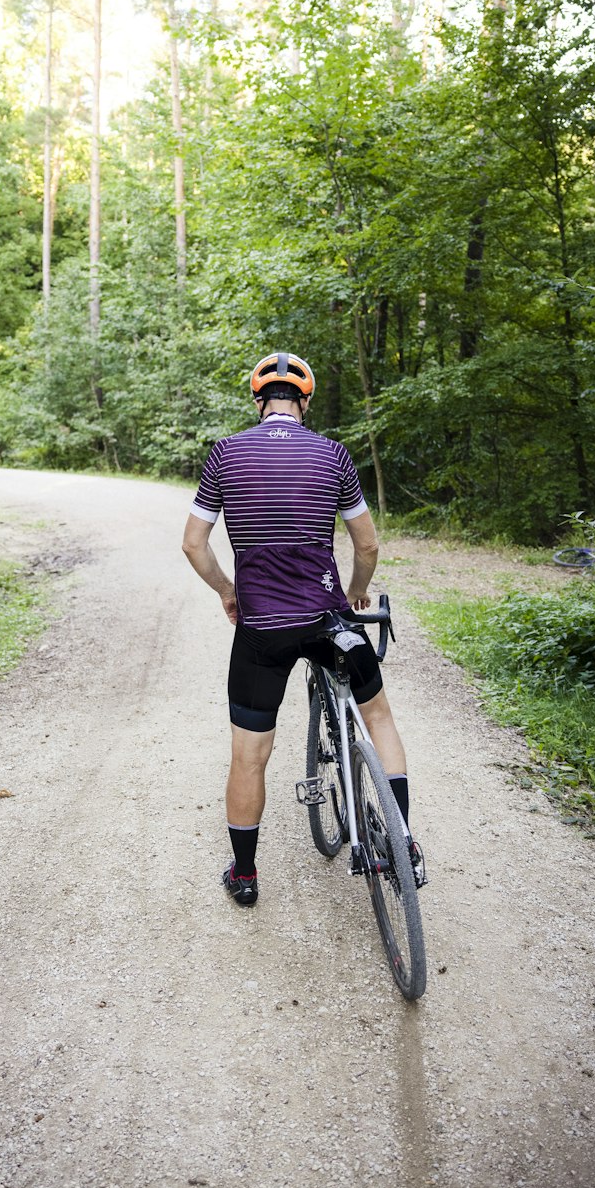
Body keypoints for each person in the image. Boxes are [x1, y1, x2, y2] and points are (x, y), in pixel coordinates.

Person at [182, 350, 424, 906]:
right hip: (326, 617)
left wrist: (228, 591)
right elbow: (367, 543)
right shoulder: (333, 455)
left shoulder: (225, 455)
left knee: (249, 753)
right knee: (378, 716)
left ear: (258, 400)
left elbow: (194, 544)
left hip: (262, 626)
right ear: (305, 401)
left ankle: (244, 876)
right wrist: (359, 589)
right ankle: (402, 841)